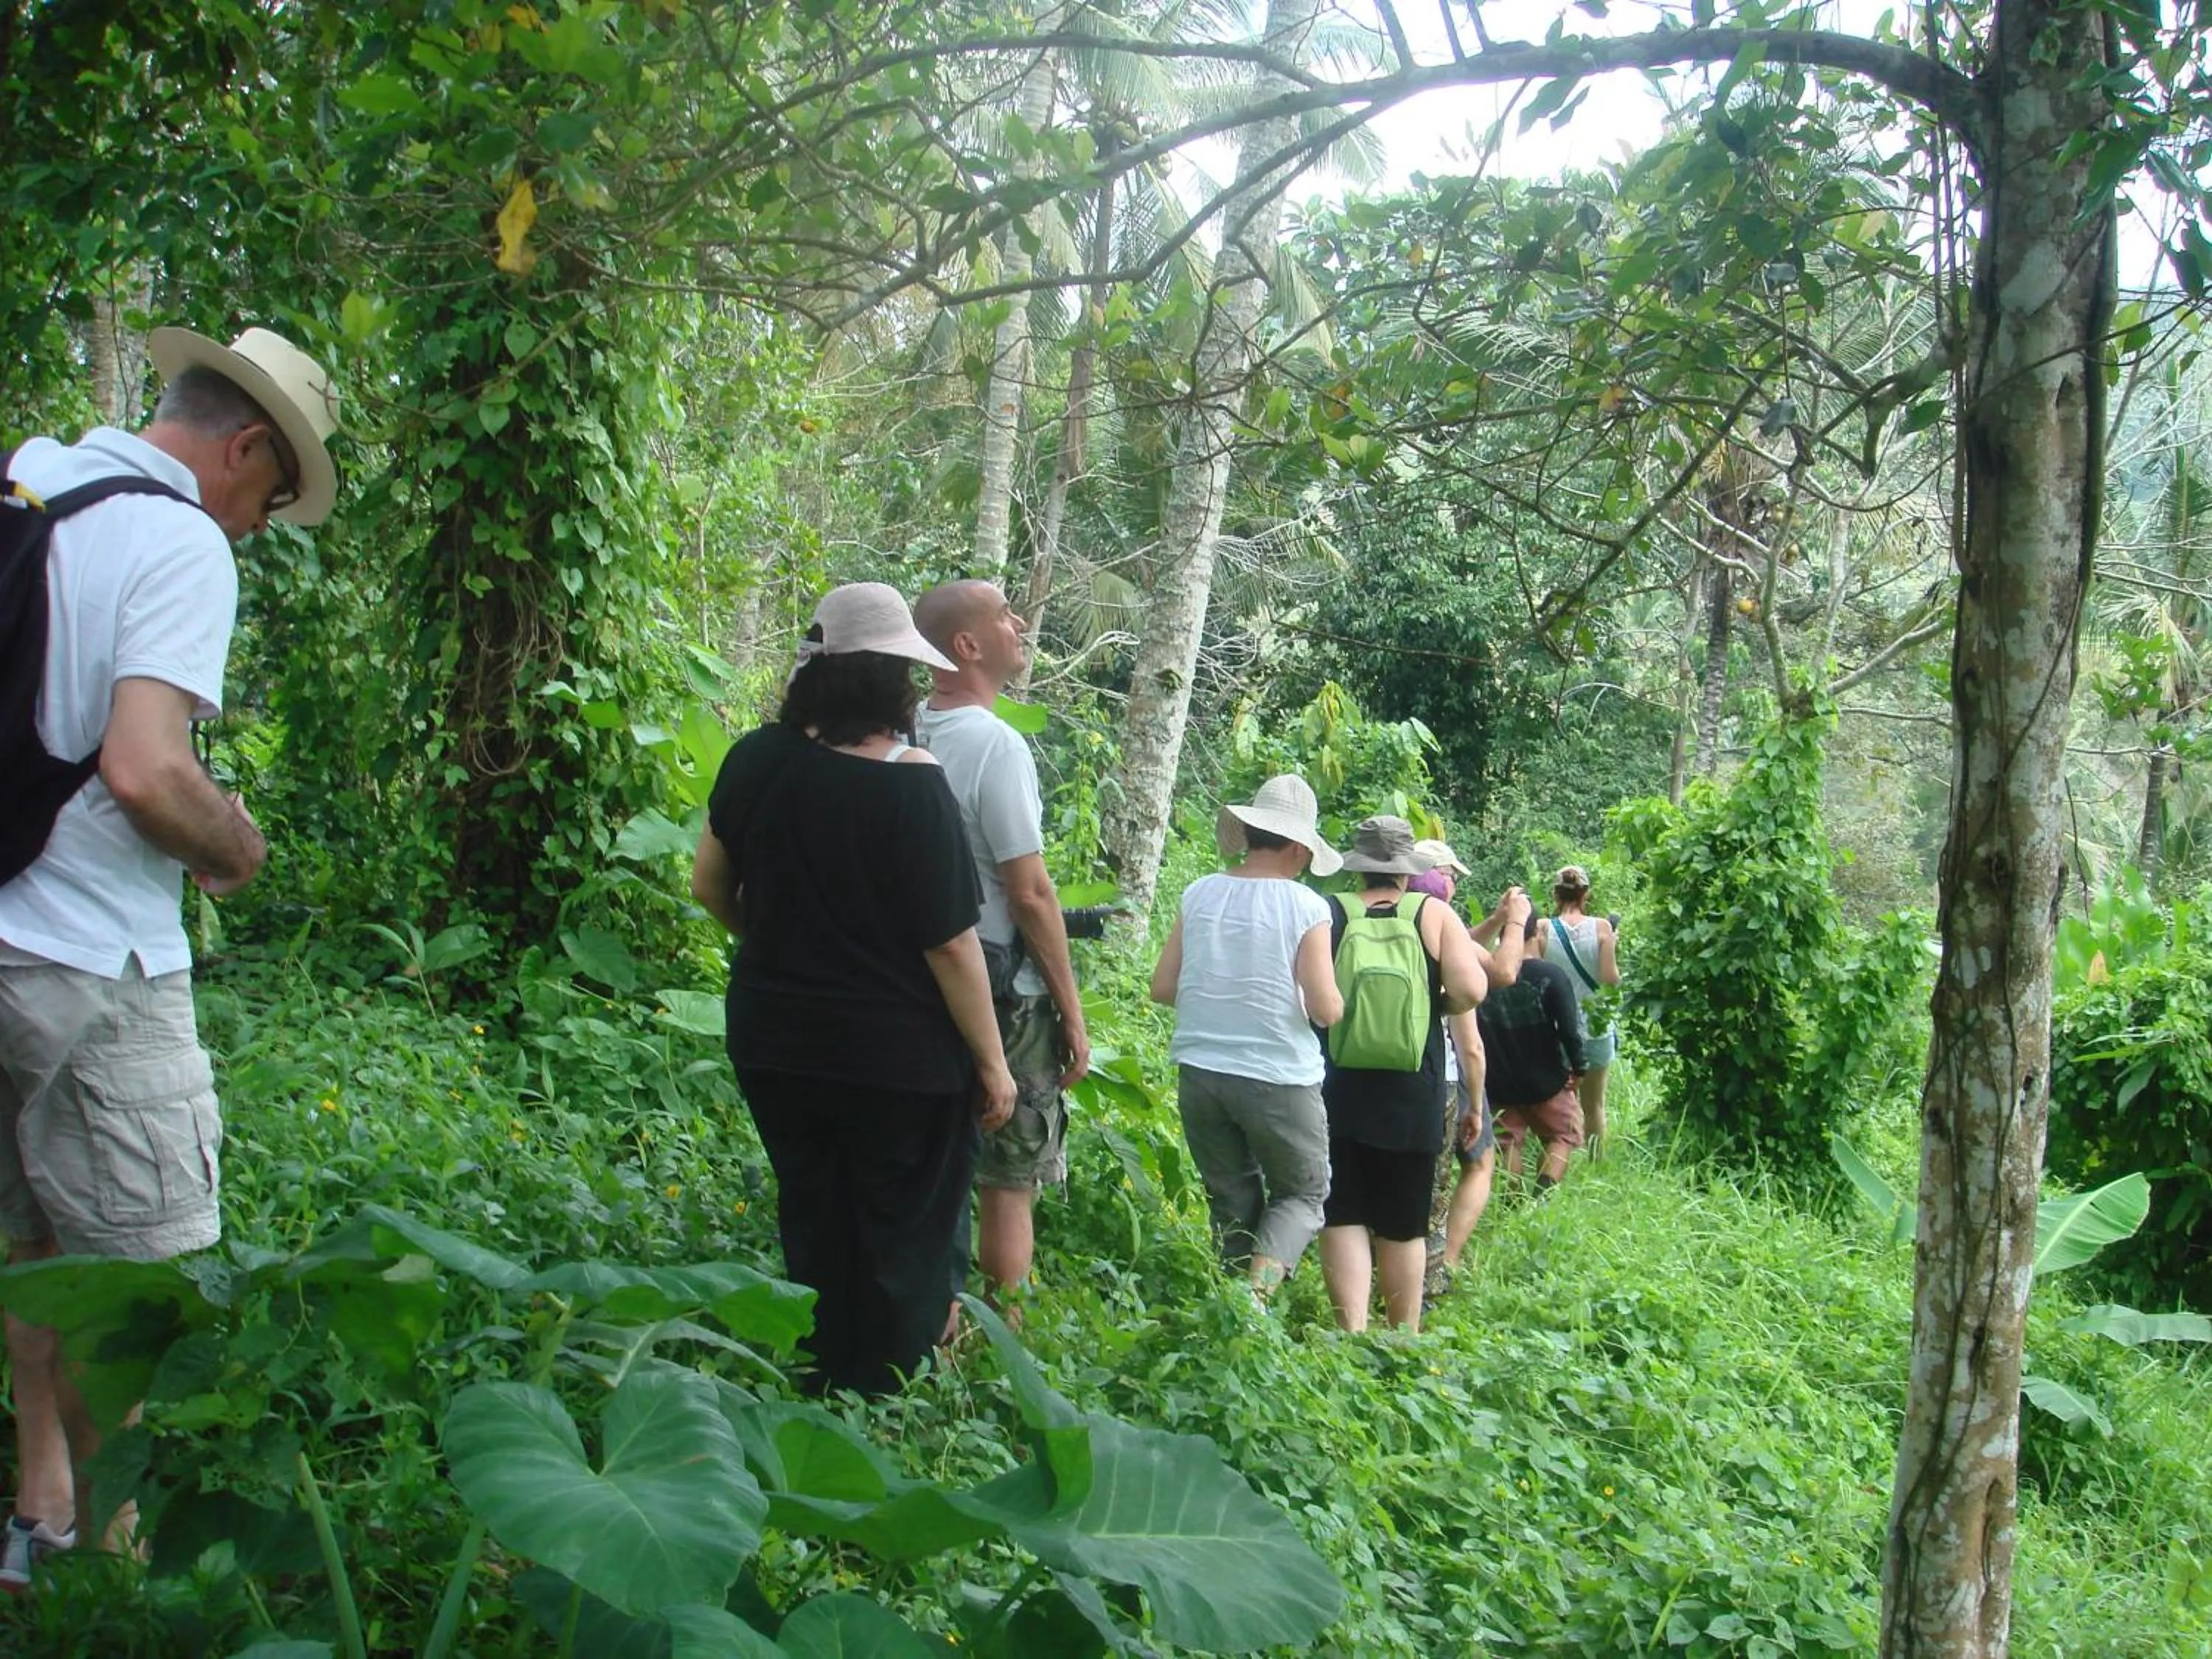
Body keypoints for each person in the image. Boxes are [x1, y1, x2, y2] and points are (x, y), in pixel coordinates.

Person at [0, 325, 340, 1588]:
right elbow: (145, 767)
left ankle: (44, 1508)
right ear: (243, 446)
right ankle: (122, 1567)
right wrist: (233, 845)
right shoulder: (180, 536)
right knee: (136, 1290)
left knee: (31, 1239)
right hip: (91, 964)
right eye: (272, 493)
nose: (258, 523)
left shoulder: (29, 477)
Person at [689, 582, 1017, 1397]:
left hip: (774, 1039)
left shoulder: (756, 758)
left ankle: (819, 1370)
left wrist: (777, 942)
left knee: (814, 1206)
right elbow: (950, 945)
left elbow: (708, 885)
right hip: (896, 1058)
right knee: (903, 1230)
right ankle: (884, 1395)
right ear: (892, 682)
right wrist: (995, 1063)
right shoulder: (913, 783)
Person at [911, 580, 1090, 1310]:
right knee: (1009, 1175)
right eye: (1005, 615)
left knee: (931, 1154)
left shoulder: (901, 731)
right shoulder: (995, 745)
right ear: (968, 645)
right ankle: (1002, 1333)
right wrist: (1071, 1010)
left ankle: (935, 1314)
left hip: (914, 972)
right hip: (995, 978)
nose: (1021, 623)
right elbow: (1031, 892)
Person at [1148, 776, 1344, 1300]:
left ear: (1251, 833)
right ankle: (1252, 1305)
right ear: (1301, 849)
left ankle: (1226, 1311)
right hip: (1278, 1075)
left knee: (1231, 1196)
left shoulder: (1200, 893)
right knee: (1303, 1192)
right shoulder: (1307, 907)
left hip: (1201, 1072)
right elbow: (1325, 1008)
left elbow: (1163, 987)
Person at [1315, 818, 1486, 1334]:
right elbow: (1473, 989)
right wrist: (1434, 1003)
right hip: (1415, 1086)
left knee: (1342, 1209)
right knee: (1405, 1220)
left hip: (1338, 1081)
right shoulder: (1433, 915)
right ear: (1407, 871)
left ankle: (1351, 1334)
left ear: (1359, 866)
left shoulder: (1332, 912)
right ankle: (1402, 1337)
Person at [1474, 949, 1588, 1191]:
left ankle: (1512, 1202)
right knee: (1561, 1137)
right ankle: (1541, 1199)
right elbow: (1569, 1028)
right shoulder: (1550, 975)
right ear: (1537, 933)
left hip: (1498, 1079)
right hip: (1547, 1080)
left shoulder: (1482, 974)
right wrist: (1579, 1067)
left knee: (1507, 1142)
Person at [1528, 865, 1621, 1157]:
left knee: (1555, 1106)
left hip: (1554, 1029)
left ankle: (1554, 1162)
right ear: (1586, 894)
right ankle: (1595, 1162)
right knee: (1595, 1105)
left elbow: (1535, 975)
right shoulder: (1603, 928)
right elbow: (1610, 980)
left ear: (1555, 894)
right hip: (1595, 1026)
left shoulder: (1543, 928)